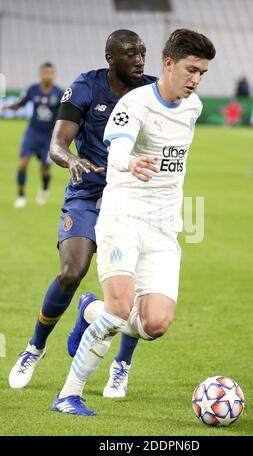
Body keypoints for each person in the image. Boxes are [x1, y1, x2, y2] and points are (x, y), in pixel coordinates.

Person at [51, 28, 216, 416]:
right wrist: (130, 162)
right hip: (122, 215)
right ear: (169, 63)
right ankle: (68, 395)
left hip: (163, 228)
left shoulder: (194, 108)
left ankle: (89, 309)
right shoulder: (135, 104)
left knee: (154, 324)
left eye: (203, 73)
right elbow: (120, 145)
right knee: (121, 307)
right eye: (191, 69)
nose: (196, 79)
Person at [8, 30, 156, 390]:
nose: (139, 60)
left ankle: (121, 364)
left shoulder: (151, 91)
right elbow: (57, 144)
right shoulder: (86, 87)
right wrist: (71, 159)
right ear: (110, 58)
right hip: (88, 193)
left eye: (142, 53)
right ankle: (35, 347)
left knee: (134, 287)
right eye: (130, 54)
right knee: (72, 272)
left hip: (133, 198)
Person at [2, 62, 64, 208]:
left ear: (53, 74)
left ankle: (44, 189)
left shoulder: (59, 93)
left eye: (50, 73)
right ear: (40, 74)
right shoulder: (33, 89)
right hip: (32, 133)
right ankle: (21, 197)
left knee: (45, 168)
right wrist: (7, 107)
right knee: (23, 163)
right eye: (45, 72)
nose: (47, 75)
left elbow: (63, 115)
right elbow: (20, 104)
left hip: (48, 137)